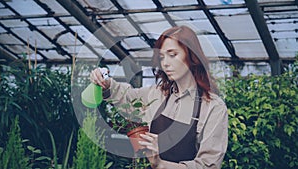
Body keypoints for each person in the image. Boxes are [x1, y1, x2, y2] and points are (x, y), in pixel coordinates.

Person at [90, 25, 228, 169]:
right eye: (162, 57)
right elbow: (128, 97)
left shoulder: (212, 107)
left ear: (191, 56)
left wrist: (161, 164)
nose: (165, 63)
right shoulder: (159, 94)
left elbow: (208, 165)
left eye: (173, 54)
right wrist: (106, 84)